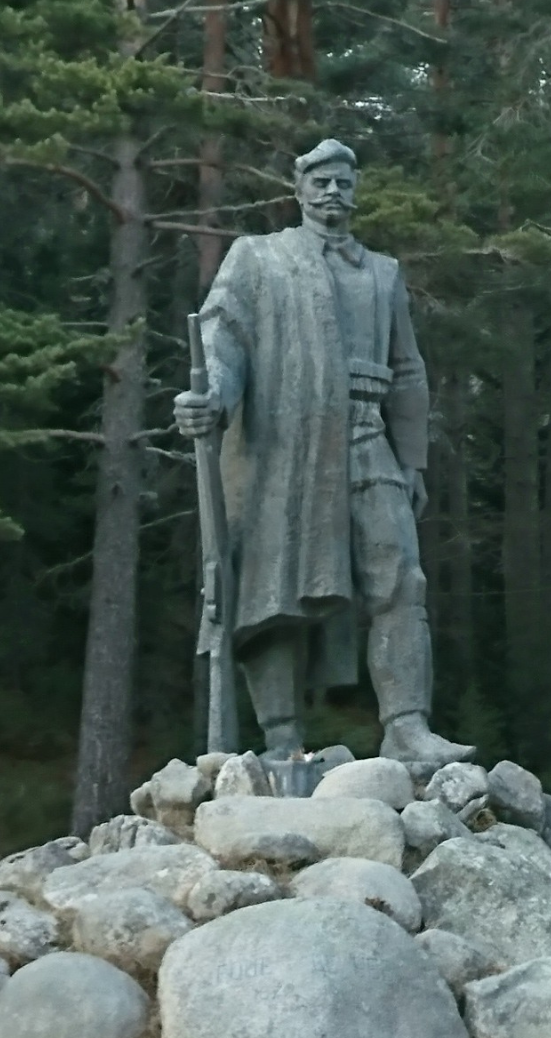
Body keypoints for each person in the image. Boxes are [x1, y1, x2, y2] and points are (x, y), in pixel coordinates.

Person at [174, 138, 474, 766]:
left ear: (356, 190)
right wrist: (214, 399)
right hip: (286, 444)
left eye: (343, 181)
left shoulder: (383, 274)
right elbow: (223, 337)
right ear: (299, 188)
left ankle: (406, 726)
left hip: (368, 439)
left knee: (401, 576)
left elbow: (409, 372)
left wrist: (412, 461)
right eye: (321, 182)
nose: (332, 192)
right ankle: (282, 739)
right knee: (273, 586)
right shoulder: (259, 259)